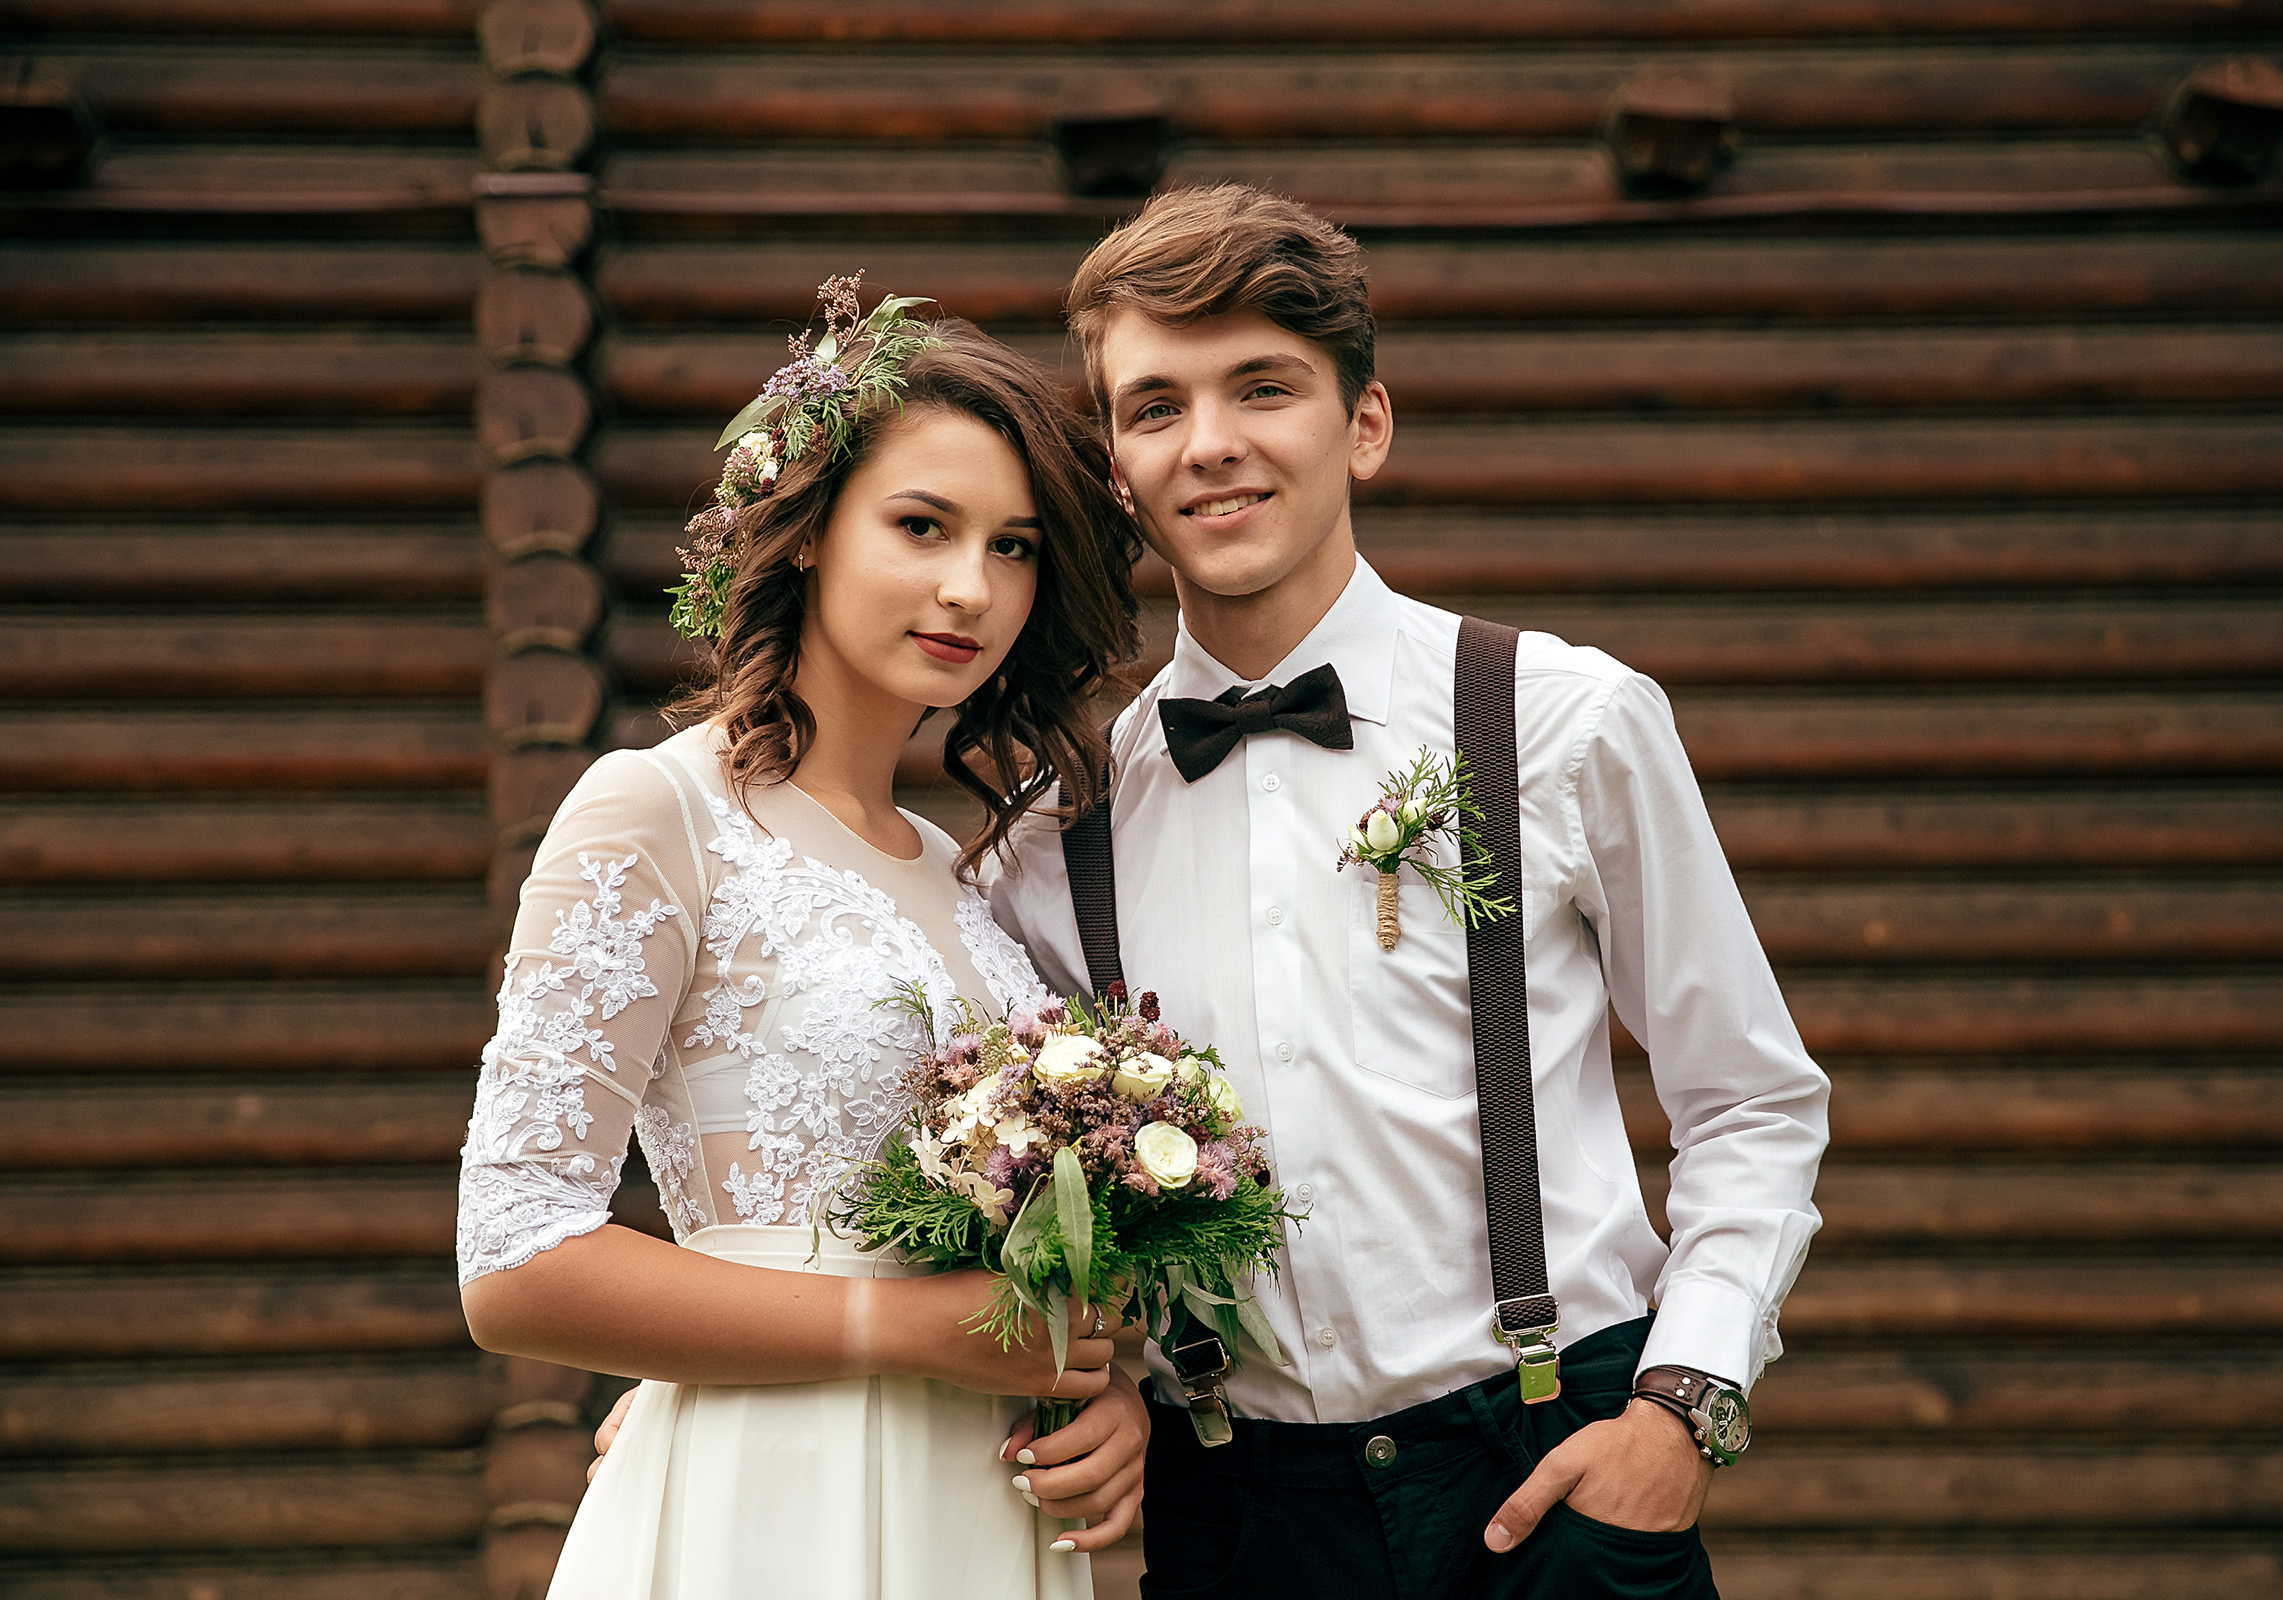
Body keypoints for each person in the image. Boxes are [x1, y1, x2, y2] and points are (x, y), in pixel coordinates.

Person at [983, 186, 1831, 1597]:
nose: (1212, 446)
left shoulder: (1564, 719)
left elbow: (1750, 1098)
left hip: (1558, 1473)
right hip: (1239, 1513)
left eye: (1265, 387)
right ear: (1116, 468)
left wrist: (1685, 1409)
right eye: (1154, 407)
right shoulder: (1055, 833)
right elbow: (1057, 1206)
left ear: (1365, 423)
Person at [457, 300, 1152, 1598]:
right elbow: (516, 1258)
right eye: (923, 526)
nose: (972, 588)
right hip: (768, 1500)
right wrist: (897, 1329)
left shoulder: (964, 878)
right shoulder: (654, 811)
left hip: (981, 1509)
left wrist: (1104, 1396)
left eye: (1014, 548)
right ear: (811, 532)